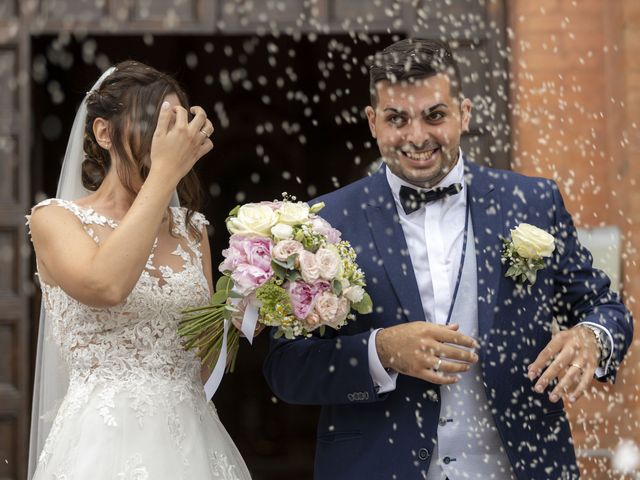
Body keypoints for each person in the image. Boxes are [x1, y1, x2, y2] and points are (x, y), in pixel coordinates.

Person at [263, 38, 633, 479]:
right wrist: (379, 352)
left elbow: (605, 310)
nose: (417, 136)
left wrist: (592, 338)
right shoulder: (326, 221)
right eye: (396, 118)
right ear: (372, 122)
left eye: (434, 115)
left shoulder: (531, 202)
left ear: (465, 114)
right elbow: (286, 367)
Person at [27, 61, 251, 479]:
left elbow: (197, 367)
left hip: (192, 438)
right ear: (103, 133)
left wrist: (235, 316)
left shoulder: (192, 230)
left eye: (175, 125)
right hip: (104, 440)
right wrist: (165, 175)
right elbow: (106, 284)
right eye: (154, 124)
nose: (167, 140)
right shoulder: (55, 220)